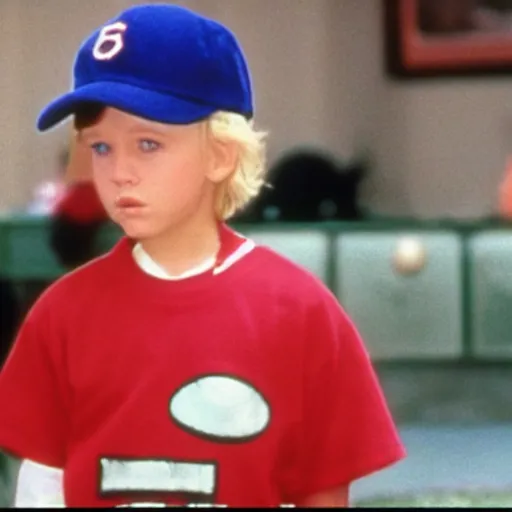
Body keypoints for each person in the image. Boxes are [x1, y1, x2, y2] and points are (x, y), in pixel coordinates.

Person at [0, 3, 405, 507]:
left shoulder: (300, 312)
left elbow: (322, 492)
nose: (119, 171)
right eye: (100, 147)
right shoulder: (60, 315)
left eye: (147, 144)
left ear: (221, 154)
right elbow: (42, 486)